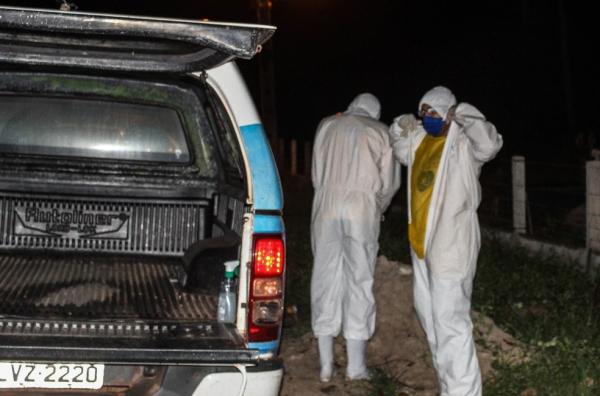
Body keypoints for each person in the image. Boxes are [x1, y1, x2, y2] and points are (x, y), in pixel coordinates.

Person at [389, 86, 502, 396]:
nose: (428, 118)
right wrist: (402, 124)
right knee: (431, 318)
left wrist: (463, 112)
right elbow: (399, 144)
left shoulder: (463, 145)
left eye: (434, 113)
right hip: (422, 244)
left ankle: (465, 392)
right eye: (423, 112)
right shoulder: (421, 142)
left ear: (449, 114)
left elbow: (490, 144)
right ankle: (448, 385)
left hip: (453, 242)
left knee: (450, 320)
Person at [310, 93, 400, 382]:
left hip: (326, 203)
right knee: (359, 280)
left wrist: (327, 193)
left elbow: (316, 172)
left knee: (325, 278)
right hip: (362, 208)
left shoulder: (327, 125)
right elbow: (389, 184)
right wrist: (377, 207)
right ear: (374, 112)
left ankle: (326, 366)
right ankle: (355, 367)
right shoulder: (381, 132)